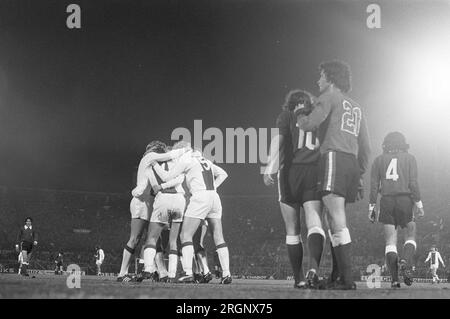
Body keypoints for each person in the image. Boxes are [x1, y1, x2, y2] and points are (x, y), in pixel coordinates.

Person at [297, 60, 371, 290]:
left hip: (333, 157)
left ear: (330, 78)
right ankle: (337, 277)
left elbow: (310, 124)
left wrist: (300, 114)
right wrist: (359, 174)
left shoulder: (328, 96)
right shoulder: (357, 107)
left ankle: (347, 280)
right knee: (333, 218)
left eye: (321, 76)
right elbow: (366, 147)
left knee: (336, 217)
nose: (318, 80)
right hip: (350, 161)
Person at [263, 89, 325, 289]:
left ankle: (298, 278)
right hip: (314, 172)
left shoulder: (286, 115)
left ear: (290, 104)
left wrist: (268, 166)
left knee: (292, 228)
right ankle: (313, 268)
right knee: (314, 221)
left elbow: (278, 140)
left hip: (290, 174)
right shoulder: (318, 116)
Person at [151, 143, 231, 284]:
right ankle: (226, 274)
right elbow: (223, 174)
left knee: (185, 235)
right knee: (219, 237)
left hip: (200, 198)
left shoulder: (186, 160)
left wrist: (154, 163)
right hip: (214, 197)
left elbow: (167, 176)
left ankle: (188, 273)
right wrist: (213, 188)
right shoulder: (206, 160)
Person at [117, 141, 189, 282]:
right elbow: (144, 185)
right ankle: (122, 273)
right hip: (142, 203)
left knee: (156, 239)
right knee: (135, 238)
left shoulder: (153, 164)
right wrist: (185, 150)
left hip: (152, 202)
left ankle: (161, 272)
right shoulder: (150, 158)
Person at [369, 131, 424, 288]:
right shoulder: (410, 158)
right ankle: (406, 261)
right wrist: (419, 204)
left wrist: (371, 207)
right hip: (405, 200)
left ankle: (394, 280)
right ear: (403, 143)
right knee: (410, 235)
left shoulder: (378, 160)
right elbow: (413, 183)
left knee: (390, 242)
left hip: (386, 201)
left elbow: (373, 187)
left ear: (386, 144)